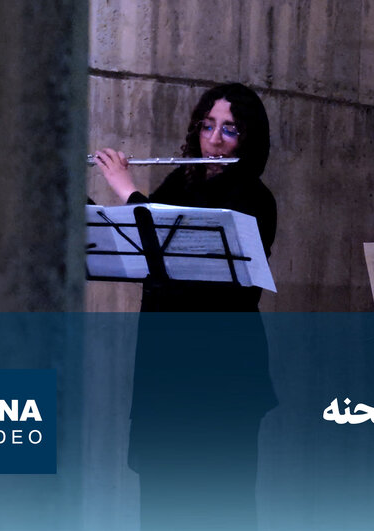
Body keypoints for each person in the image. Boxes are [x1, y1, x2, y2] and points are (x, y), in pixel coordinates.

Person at [94, 83, 277, 530]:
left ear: (248, 139)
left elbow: (197, 278)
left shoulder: (253, 197)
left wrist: (128, 192)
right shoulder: (181, 181)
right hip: (166, 366)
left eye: (229, 130)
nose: (214, 140)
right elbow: (141, 245)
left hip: (221, 375)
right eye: (207, 126)